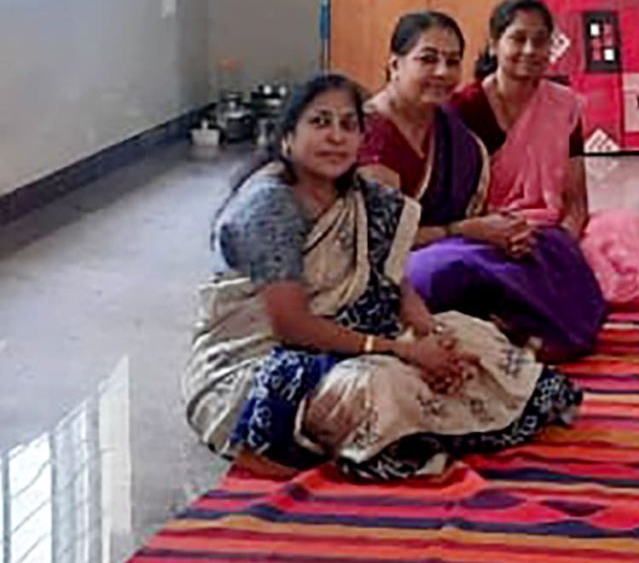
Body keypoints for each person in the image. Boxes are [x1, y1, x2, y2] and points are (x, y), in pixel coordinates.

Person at [184, 73, 582, 480]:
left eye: (348, 125)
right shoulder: (269, 207)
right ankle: (377, 442)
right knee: (374, 386)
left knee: (471, 338)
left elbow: (394, 279)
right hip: (259, 360)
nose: (336, 137)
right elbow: (291, 325)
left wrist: (430, 335)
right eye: (320, 122)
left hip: (358, 334)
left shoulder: (362, 195)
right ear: (288, 137)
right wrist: (401, 350)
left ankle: (418, 428)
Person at [360, 11, 606, 359]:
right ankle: (499, 334)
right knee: (446, 269)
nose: (442, 72)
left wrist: (501, 233)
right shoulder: (373, 133)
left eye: (452, 62)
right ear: (395, 65)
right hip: (384, 267)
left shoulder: (447, 128)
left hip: (449, 242)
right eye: (428, 59)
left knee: (546, 244)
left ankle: (500, 331)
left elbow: (475, 211)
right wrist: (464, 230)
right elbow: (381, 243)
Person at [452, 0, 639, 350]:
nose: (530, 50)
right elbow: (459, 202)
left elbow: (575, 199)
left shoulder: (563, 105)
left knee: (631, 232)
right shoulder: (467, 107)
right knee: (475, 265)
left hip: (550, 228)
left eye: (540, 41)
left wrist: (563, 242)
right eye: (518, 39)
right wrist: (503, 233)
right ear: (494, 44)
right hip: (491, 230)